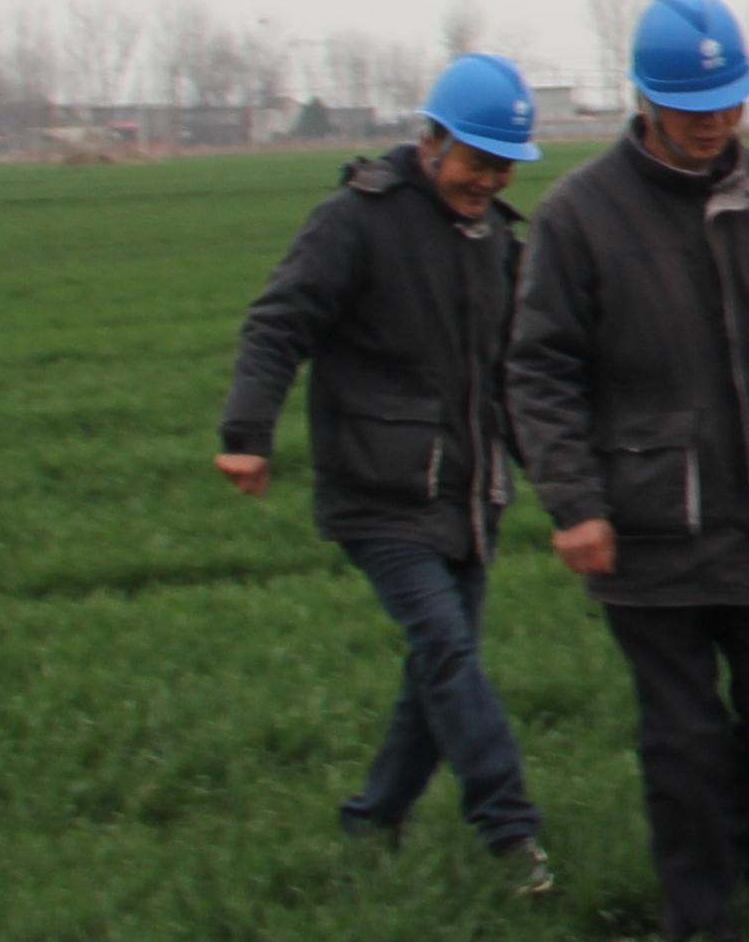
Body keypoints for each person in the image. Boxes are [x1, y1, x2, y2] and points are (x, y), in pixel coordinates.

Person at [507, 0, 749, 942]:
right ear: (646, 100)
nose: (715, 123)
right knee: (681, 738)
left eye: (728, 103)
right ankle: (699, 927)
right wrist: (574, 503)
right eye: (693, 106)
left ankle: (739, 858)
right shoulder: (579, 216)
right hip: (645, 527)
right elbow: (539, 372)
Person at [216, 52, 555, 895]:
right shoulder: (354, 222)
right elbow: (276, 324)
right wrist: (247, 432)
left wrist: (558, 475)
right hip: (377, 492)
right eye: (476, 161)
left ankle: (373, 819)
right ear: (430, 141)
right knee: (446, 652)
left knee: (436, 671)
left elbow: (516, 376)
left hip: (471, 498)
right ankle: (510, 833)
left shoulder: (498, 245)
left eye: (503, 165)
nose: (489, 179)